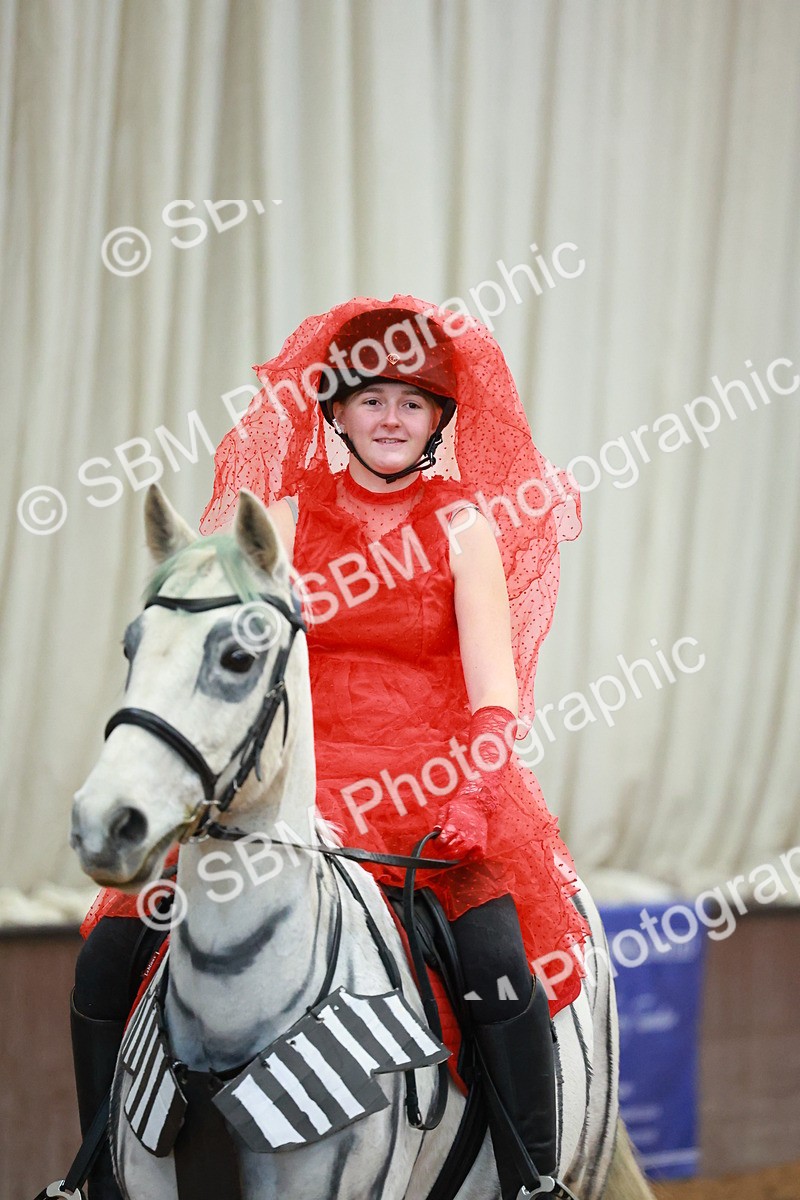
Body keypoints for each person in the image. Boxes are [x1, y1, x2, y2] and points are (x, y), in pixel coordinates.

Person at [72, 295, 590, 1200]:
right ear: (336, 410)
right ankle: (95, 1175)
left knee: (497, 957)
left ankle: (532, 1178)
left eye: (413, 403)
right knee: (110, 948)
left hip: (435, 776)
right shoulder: (276, 516)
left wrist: (476, 788)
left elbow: (493, 685)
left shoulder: (465, 525)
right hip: (295, 775)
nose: (391, 419)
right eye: (371, 400)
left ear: (437, 421)